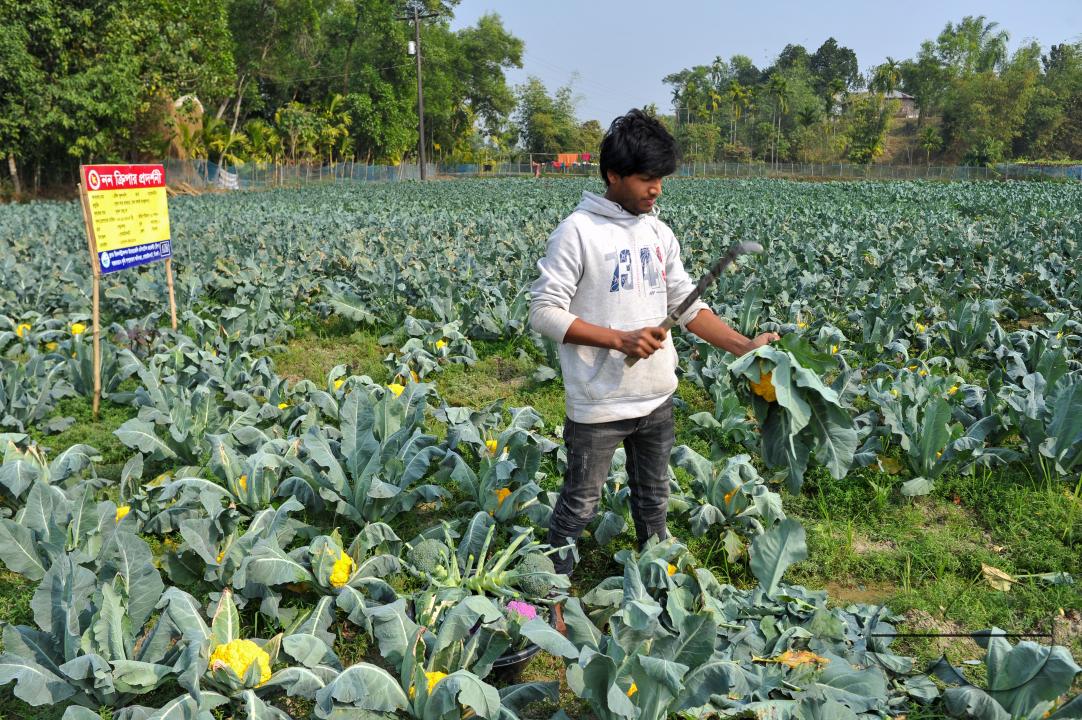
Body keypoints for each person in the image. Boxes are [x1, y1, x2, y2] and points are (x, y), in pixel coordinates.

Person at [528, 109, 779, 576]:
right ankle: (546, 589)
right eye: (646, 178)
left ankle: (657, 584)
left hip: (656, 397)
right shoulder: (577, 233)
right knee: (579, 506)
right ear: (613, 175)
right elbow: (543, 311)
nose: (656, 189)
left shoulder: (659, 233)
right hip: (599, 404)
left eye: (661, 178)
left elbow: (686, 304)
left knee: (654, 501)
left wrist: (745, 347)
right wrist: (618, 339)